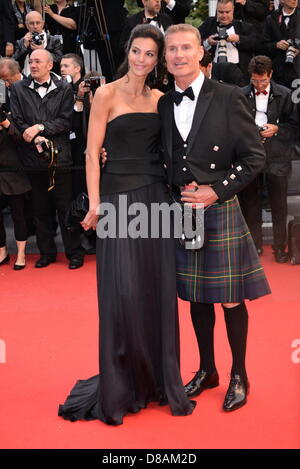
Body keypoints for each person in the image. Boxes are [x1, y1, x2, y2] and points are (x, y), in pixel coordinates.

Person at [58, 24, 196, 425]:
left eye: (150, 54)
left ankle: (156, 380)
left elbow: (173, 150)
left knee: (156, 290)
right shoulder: (105, 93)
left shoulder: (161, 99)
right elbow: (90, 153)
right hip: (117, 203)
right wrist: (97, 203)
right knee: (123, 292)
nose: (142, 59)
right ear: (128, 51)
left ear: (158, 61)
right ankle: (121, 385)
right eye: (136, 51)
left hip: (155, 202)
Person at [158, 24, 271, 412]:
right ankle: (208, 370)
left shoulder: (226, 96)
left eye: (185, 47)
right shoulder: (162, 102)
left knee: (230, 299)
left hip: (218, 208)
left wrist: (217, 190)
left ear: (201, 52)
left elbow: (254, 156)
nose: (178, 55)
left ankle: (239, 373)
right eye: (171, 49)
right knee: (195, 297)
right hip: (182, 212)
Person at [10, 49, 84, 270]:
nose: (32, 65)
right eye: (30, 61)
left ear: (50, 65)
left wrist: (41, 128)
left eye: (38, 61)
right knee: (40, 210)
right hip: (32, 159)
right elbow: (19, 122)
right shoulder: (17, 89)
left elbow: (67, 121)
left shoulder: (64, 88)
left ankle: (74, 253)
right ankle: (46, 253)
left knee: (65, 208)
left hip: (60, 158)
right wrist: (33, 135)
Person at [239, 55, 299, 262]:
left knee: (279, 204)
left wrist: (277, 129)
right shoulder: (240, 95)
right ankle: (254, 246)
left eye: (263, 81)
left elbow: (295, 127)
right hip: (250, 156)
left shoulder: (285, 94)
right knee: (250, 203)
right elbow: (234, 127)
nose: (258, 84)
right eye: (255, 81)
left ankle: (280, 246)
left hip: (278, 156)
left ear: (271, 74)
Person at [0, 107, 31, 270]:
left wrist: (6, 124)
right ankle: (2, 252)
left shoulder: (11, 117)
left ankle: (21, 254)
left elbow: (21, 139)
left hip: (14, 176)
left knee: (18, 215)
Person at [200, 0, 256, 82]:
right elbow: (195, 41)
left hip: (238, 70)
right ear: (216, 10)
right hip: (213, 70)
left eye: (227, 12)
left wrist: (239, 39)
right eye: (221, 12)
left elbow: (256, 44)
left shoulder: (244, 26)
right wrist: (208, 42)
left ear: (233, 10)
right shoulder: (209, 23)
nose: (224, 15)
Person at [261, 0, 300, 88]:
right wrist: (276, 45)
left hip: (298, 71)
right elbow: (262, 46)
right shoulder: (271, 18)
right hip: (278, 73)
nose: (295, 0)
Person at [13, 11, 63, 75]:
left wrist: (44, 51)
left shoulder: (54, 40)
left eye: (38, 23)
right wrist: (24, 46)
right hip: (26, 78)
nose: (35, 26)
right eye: (31, 23)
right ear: (26, 25)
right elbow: (14, 62)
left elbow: (59, 60)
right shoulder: (20, 42)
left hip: (49, 77)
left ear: (42, 23)